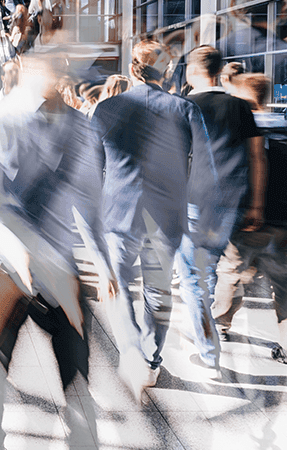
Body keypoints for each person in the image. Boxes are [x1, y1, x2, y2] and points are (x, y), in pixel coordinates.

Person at [0, 53, 115, 450]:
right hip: (3, 268)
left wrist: (103, 257)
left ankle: (83, 442)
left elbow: (90, 201)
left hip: (59, 271)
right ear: (24, 67)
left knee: (77, 373)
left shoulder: (79, 129)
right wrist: (15, 247)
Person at [91, 40, 213, 400]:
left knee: (119, 286)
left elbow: (90, 168)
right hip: (165, 216)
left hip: (119, 214)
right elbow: (206, 170)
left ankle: (130, 351)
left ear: (133, 69)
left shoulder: (107, 108)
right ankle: (151, 358)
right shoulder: (186, 110)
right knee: (158, 293)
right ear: (168, 71)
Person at [175, 45, 264, 374]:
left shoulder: (183, 106)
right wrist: (256, 203)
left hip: (193, 200)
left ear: (192, 71)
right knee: (208, 269)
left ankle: (208, 348)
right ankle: (206, 324)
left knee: (191, 278)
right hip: (230, 201)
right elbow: (258, 156)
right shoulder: (240, 107)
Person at [212, 73, 287, 364]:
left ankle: (221, 324)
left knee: (231, 273)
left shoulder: (243, 128)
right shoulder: (282, 124)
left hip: (251, 219)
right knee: (283, 286)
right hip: (283, 221)